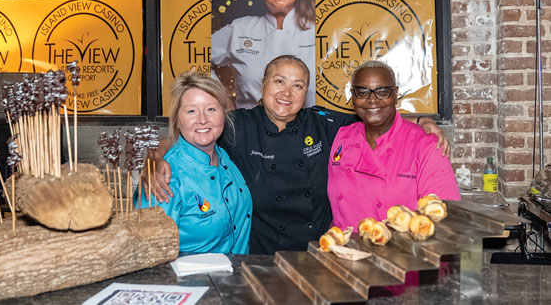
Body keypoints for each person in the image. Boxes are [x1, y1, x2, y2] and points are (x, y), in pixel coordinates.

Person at [152, 55, 450, 254]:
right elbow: (191, 133)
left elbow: (373, 113)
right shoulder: (238, 125)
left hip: (319, 251)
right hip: (262, 254)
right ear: (264, 84)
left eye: (298, 85)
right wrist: (156, 158)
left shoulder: (323, 122)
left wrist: (422, 121)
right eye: (279, 81)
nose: (287, 92)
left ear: (306, 93)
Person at [328, 61, 461, 229]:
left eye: (382, 91)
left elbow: (443, 218)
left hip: (398, 245)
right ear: (352, 95)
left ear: (396, 94)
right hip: (342, 243)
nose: (372, 99)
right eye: (362, 92)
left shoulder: (426, 145)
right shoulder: (342, 136)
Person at [135, 72, 252, 255]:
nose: (202, 119)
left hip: (238, 271)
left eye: (211, 109)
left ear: (224, 114)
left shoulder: (225, 157)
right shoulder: (163, 176)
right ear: (177, 120)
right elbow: (146, 252)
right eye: (191, 111)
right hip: (188, 274)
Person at [212, 0, 316, 109]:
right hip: (249, 122)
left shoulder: (316, 29)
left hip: (307, 123)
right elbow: (199, 57)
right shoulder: (240, 28)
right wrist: (221, 100)